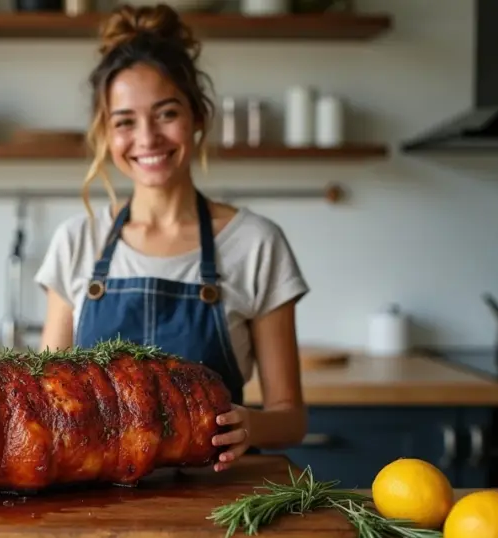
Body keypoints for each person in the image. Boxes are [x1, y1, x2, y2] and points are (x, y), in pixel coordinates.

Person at [33, 3, 309, 472]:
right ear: (106, 134)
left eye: (166, 113)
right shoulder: (78, 240)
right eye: (124, 121)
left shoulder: (257, 243)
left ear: (197, 116)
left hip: (219, 498)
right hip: (98, 503)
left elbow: (291, 418)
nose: (147, 137)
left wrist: (250, 426)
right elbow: (46, 401)